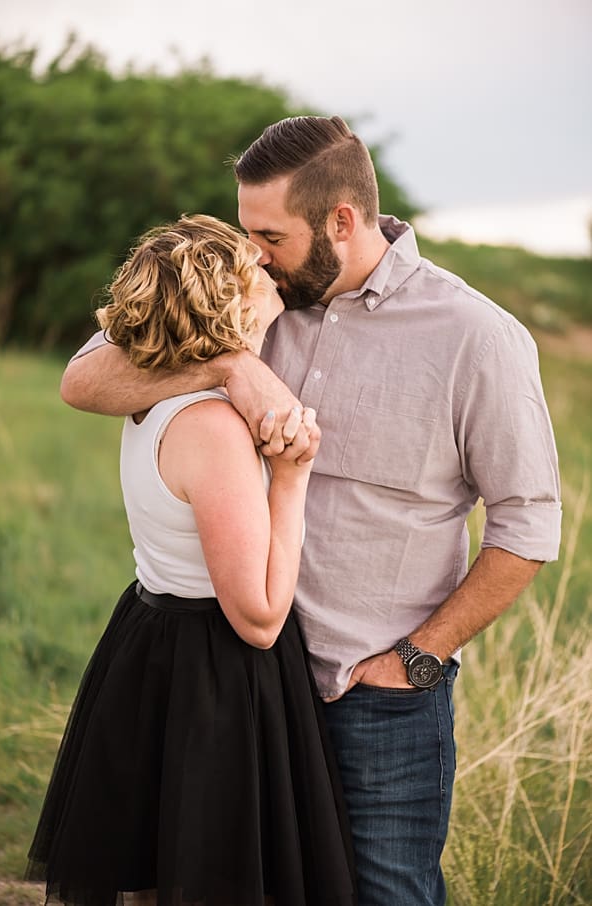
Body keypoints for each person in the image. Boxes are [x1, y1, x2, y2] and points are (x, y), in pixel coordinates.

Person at [60, 116, 562, 905]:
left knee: (386, 894)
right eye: (245, 231)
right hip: (251, 687)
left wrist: (418, 658)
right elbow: (83, 381)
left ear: (342, 221)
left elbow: (529, 528)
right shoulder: (254, 302)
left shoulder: (478, 339)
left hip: (377, 701)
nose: (252, 253)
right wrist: (230, 364)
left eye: (269, 235)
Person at [27, 214, 355, 906]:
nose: (268, 270)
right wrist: (293, 478)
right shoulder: (210, 426)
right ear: (228, 304)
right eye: (253, 270)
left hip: (155, 640)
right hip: (216, 670)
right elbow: (261, 619)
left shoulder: (157, 397)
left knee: (159, 865)